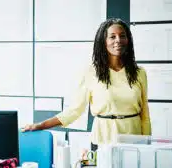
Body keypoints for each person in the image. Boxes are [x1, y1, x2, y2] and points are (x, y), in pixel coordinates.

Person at [22, 18, 152, 150]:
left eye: (122, 36)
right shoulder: (91, 72)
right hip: (103, 139)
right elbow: (74, 110)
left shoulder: (140, 73)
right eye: (112, 37)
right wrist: (41, 125)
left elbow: (145, 114)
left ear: (128, 40)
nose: (118, 40)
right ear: (104, 42)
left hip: (134, 140)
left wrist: (147, 145)